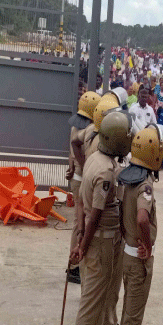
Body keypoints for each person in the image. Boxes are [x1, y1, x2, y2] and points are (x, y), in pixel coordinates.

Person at [71, 110, 133, 325]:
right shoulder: (105, 172)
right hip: (100, 243)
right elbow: (95, 214)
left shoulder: (96, 157)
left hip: (103, 241)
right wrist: (83, 247)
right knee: (92, 302)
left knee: (100, 298)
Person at [117, 125, 163, 325]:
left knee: (127, 315)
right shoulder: (145, 185)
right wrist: (146, 244)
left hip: (127, 255)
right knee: (131, 324)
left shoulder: (130, 179)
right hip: (138, 261)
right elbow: (143, 218)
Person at [67, 90, 101, 284]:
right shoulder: (88, 129)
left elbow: (71, 148)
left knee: (80, 220)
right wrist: (86, 165)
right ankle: (74, 266)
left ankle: (76, 263)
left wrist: (73, 164)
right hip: (82, 178)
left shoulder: (76, 126)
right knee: (80, 222)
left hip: (78, 176)